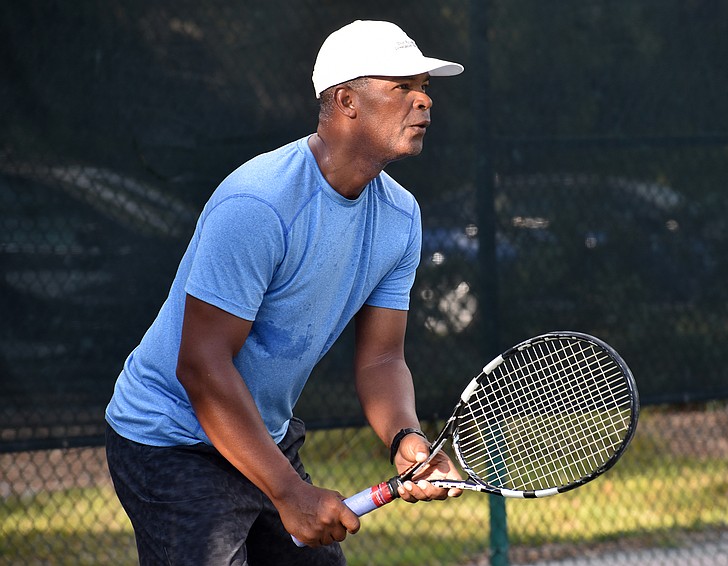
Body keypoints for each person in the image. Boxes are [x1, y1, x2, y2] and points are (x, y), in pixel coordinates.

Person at [104, 19, 464, 565]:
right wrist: (290, 494)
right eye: (401, 87)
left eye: (425, 87)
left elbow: (382, 359)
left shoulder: (400, 217)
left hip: (263, 436)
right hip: (171, 441)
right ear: (346, 101)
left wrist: (405, 439)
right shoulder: (259, 203)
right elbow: (201, 366)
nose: (423, 101)